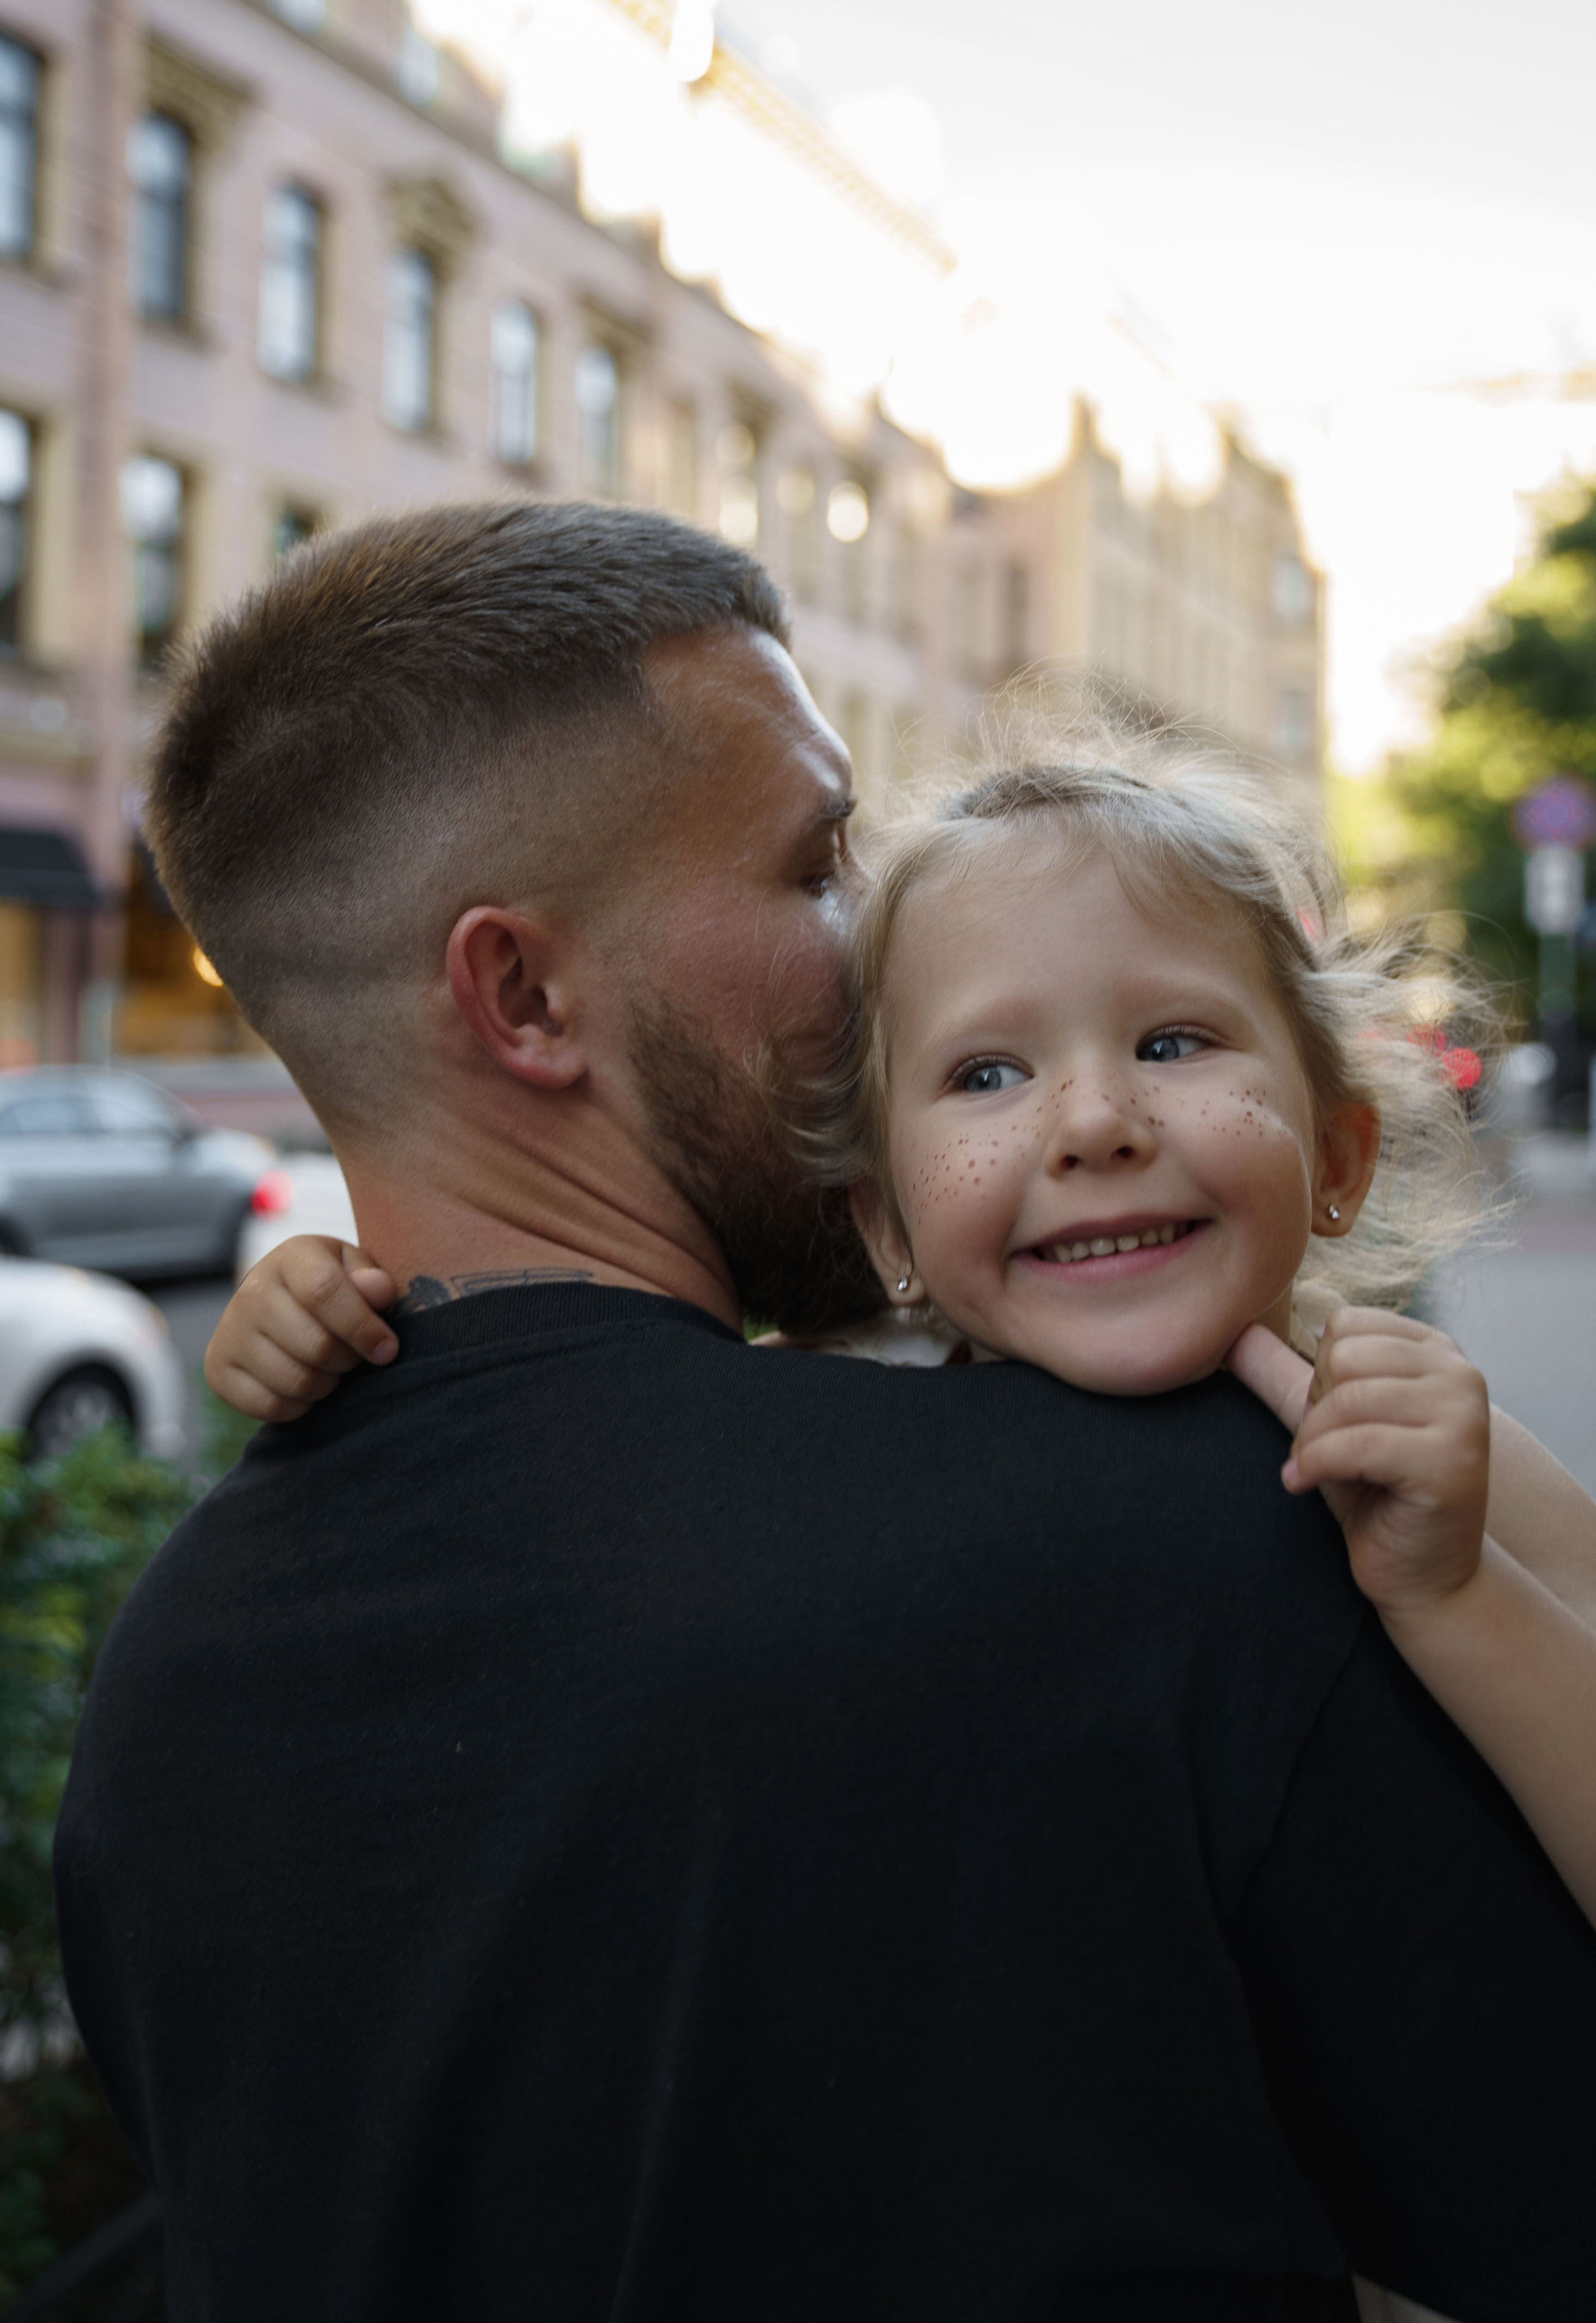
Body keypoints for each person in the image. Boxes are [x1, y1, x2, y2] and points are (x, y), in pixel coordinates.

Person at [55, 502, 1596, 2322]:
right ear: (526, 995)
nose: (881, 949)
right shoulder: (1174, 1541)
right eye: (815, 869)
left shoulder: (159, 1691)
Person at [214, 728, 1596, 1942]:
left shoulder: (1418, 1446)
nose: (1093, 1121)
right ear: (881, 1226)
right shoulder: (823, 1410)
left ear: (1339, 1154)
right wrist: (325, 1311)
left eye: (1174, 1043)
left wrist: (1453, 1589)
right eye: (986, 1073)